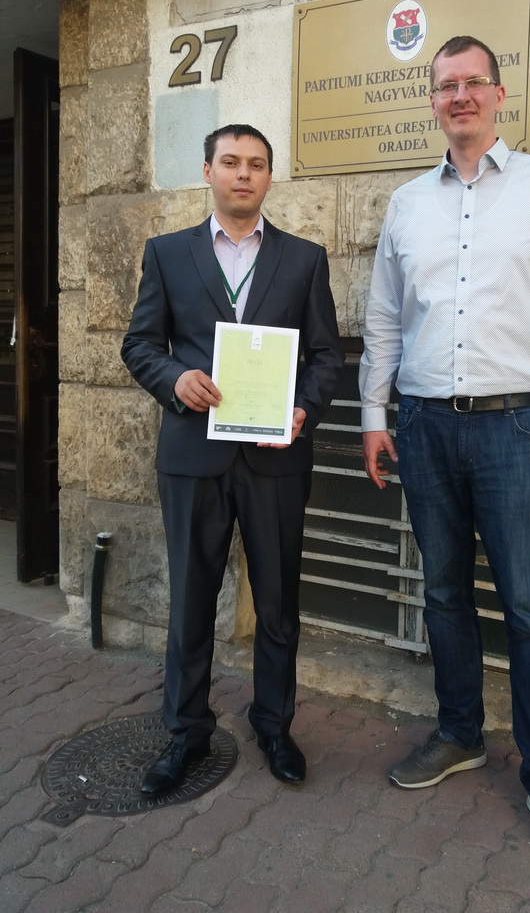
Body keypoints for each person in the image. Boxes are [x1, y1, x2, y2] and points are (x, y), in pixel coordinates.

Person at [360, 37, 530, 870]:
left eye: (473, 83)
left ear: (499, 94)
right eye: (445, 86)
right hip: (425, 426)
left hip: (517, 427)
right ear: (432, 101)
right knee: (442, 592)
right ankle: (460, 731)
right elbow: (385, 317)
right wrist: (373, 413)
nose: (459, 96)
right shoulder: (406, 204)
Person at [122, 124, 344, 794]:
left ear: (269, 177)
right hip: (193, 455)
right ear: (208, 171)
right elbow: (140, 345)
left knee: (277, 602)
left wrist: (302, 409)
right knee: (191, 600)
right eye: (230, 162)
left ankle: (274, 725)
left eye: (256, 164)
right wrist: (174, 379)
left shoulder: (304, 259)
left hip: (276, 458)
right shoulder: (167, 253)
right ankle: (187, 733)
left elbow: (326, 355)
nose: (243, 173)